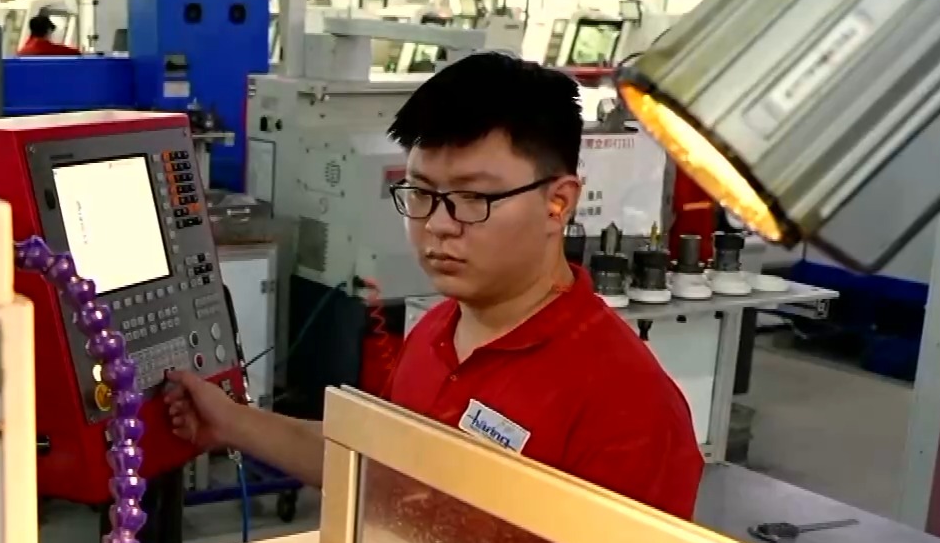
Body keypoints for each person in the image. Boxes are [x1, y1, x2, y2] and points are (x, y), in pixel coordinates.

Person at [166, 51, 703, 519]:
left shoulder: (629, 408)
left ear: (557, 202)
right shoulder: (438, 331)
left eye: (474, 198)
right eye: (421, 193)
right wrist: (230, 422)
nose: (439, 225)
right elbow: (374, 462)